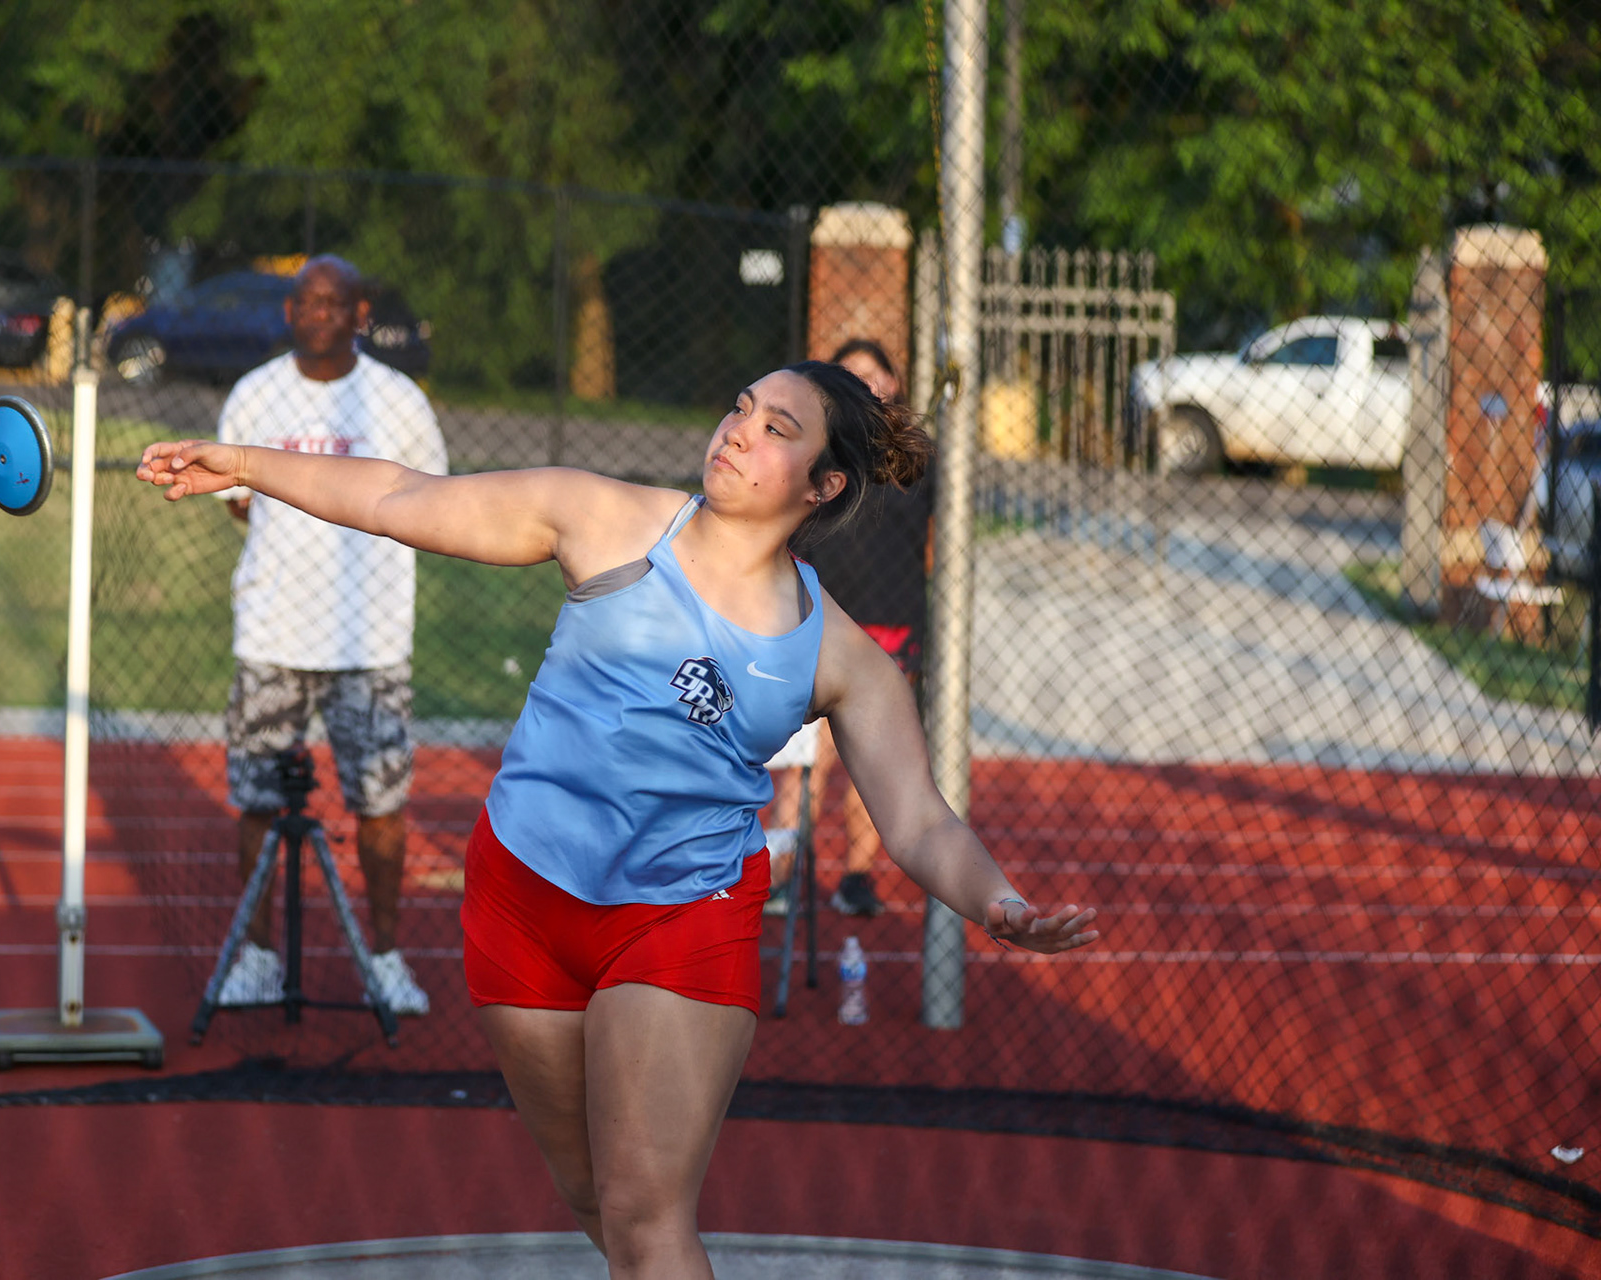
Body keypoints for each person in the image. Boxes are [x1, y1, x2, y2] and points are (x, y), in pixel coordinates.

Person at [136, 361, 1098, 1278]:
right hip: (519, 900)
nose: (738, 432)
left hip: (680, 919)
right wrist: (247, 465)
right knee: (597, 1200)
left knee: (645, 1216)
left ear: (822, 484)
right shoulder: (607, 519)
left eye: (777, 431)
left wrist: (996, 903)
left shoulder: (841, 655)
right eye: (740, 408)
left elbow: (922, 826)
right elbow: (396, 499)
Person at [211, 255, 447, 1016]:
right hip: (274, 635)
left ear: (359, 312)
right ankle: (254, 957)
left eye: (333, 302)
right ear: (290, 314)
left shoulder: (398, 400)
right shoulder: (255, 395)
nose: (318, 312)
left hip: (369, 644)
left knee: (379, 804)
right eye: (305, 301)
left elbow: (432, 501)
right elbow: (238, 502)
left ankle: (382, 957)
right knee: (256, 802)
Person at [763, 338, 932, 918]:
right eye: (850, 377)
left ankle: (858, 876)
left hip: (892, 626)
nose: (866, 385)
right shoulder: (824, 457)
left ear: (893, 382)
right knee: (804, 762)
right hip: (822, 626)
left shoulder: (920, 461)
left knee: (872, 763)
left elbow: (936, 548)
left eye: (874, 374)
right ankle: (782, 871)